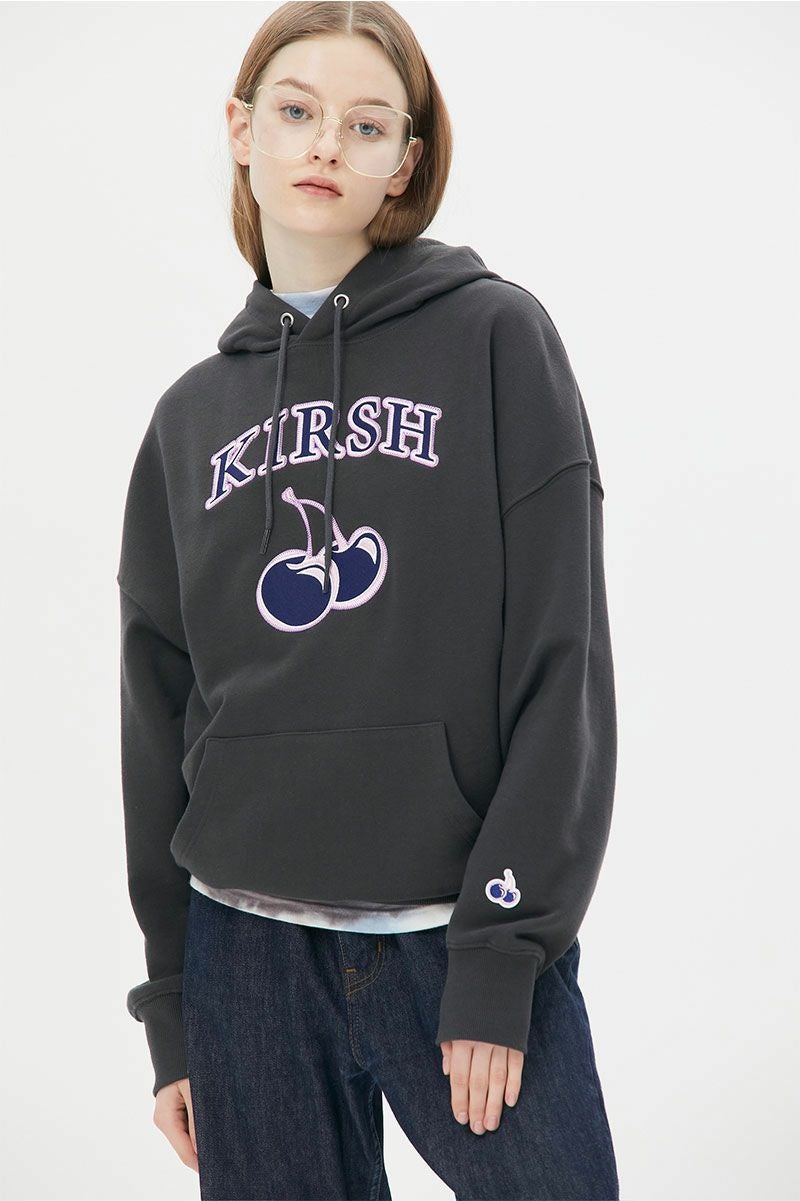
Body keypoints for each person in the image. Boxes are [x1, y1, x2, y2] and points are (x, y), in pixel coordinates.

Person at [117, 3, 620, 1198]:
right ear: (241, 130)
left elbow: (561, 663)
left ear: (406, 158)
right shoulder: (188, 419)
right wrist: (174, 1004)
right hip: (241, 954)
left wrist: (502, 950)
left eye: (364, 123)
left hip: (453, 933)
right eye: (295, 111)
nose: (323, 145)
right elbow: (157, 714)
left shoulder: (496, 339)